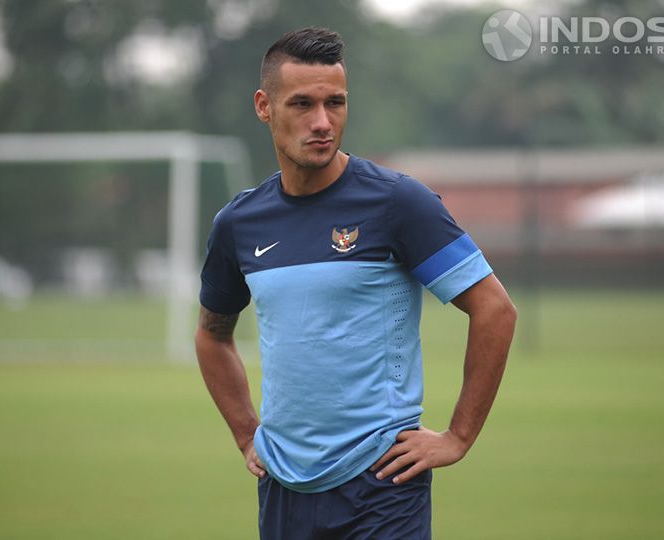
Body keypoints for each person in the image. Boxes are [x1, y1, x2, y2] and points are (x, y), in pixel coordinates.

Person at [195, 27, 516, 540]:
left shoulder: (398, 203)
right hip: (284, 482)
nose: (322, 122)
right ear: (264, 106)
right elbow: (212, 333)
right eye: (302, 104)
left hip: (383, 482)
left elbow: (495, 310)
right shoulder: (239, 223)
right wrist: (244, 433)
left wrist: (457, 436)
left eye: (335, 103)